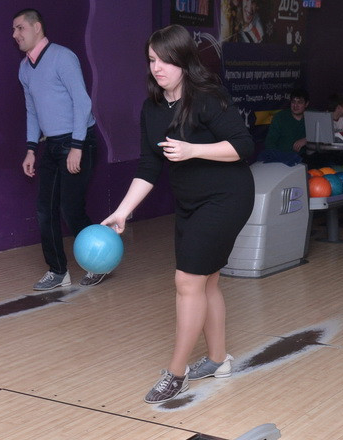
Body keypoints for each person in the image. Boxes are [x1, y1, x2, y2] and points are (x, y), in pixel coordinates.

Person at [101, 25, 254, 403]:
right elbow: (149, 167)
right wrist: (122, 212)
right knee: (207, 282)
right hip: (190, 203)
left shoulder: (207, 98)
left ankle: (176, 373)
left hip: (226, 198)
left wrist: (193, 150)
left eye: (166, 60)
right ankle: (218, 360)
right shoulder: (152, 108)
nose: (158, 68)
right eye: (152, 60)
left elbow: (243, 146)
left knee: (187, 281)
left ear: (184, 61)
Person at [14, 9, 101, 290]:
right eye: (14, 30)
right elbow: (32, 111)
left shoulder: (63, 57)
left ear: (37, 27)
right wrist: (31, 149)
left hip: (78, 141)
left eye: (20, 28)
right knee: (45, 210)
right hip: (51, 145)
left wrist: (77, 145)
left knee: (70, 209)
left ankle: (99, 263)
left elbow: (82, 102)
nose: (15, 35)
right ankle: (58, 271)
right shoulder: (24, 69)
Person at [264, 88, 309, 155]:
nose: (295, 105)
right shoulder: (280, 117)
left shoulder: (311, 116)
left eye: (299, 102)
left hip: (305, 158)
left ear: (306, 104)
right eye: (293, 102)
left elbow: (324, 137)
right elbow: (270, 143)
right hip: (283, 157)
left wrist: (307, 139)